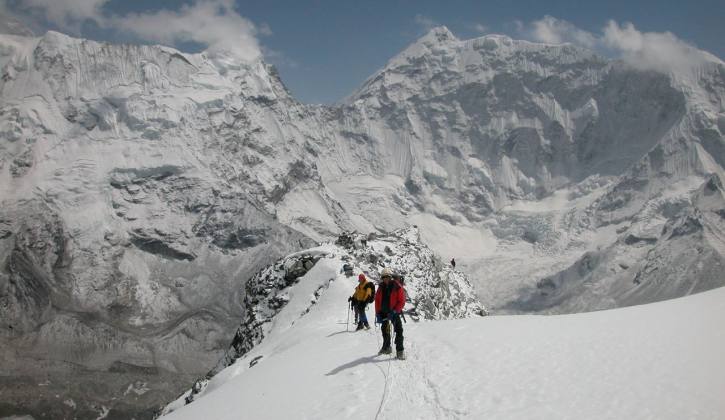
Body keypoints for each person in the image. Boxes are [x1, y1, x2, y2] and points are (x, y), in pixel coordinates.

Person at [375, 267, 406, 359]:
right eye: (383, 277)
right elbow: (377, 301)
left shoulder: (397, 286)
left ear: (390, 277)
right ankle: (387, 347)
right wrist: (378, 313)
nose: (385, 279)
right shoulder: (381, 287)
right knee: (385, 330)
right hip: (384, 312)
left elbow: (401, 301)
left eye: (387, 277)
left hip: (394, 312)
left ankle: (400, 351)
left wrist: (395, 311)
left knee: (399, 330)